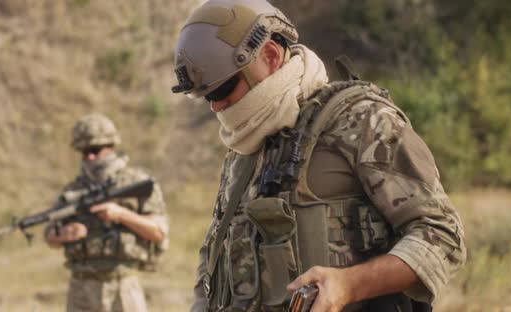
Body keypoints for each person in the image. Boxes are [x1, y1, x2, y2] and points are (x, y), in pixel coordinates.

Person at [171, 1, 466, 311]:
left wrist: (350, 285)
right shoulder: (245, 146)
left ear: (270, 55)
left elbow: (443, 236)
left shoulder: (362, 121)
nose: (216, 107)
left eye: (222, 90)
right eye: (206, 97)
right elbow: (213, 258)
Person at [44, 113, 169, 312]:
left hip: (122, 286)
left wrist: (121, 214)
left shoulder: (137, 183)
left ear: (111, 146)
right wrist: (63, 234)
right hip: (81, 288)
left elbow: (158, 232)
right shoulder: (73, 190)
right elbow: (49, 236)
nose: (90, 157)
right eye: (84, 151)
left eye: (95, 150)